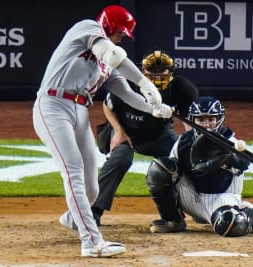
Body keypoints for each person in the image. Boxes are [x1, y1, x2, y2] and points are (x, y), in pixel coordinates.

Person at [32, 5, 173, 258]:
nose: (121, 38)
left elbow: (127, 95)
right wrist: (145, 82)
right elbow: (113, 54)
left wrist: (156, 109)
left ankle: (74, 218)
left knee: (92, 189)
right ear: (109, 26)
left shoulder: (106, 67)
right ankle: (91, 243)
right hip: (52, 106)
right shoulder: (87, 28)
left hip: (79, 112)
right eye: (120, 33)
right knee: (73, 169)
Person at [89, 50, 199, 225]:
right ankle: (93, 212)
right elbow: (107, 106)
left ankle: (178, 214)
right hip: (126, 132)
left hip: (159, 134)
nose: (156, 75)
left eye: (161, 70)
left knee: (182, 159)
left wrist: (191, 146)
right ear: (143, 71)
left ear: (170, 71)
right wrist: (118, 131)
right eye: (152, 71)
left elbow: (190, 124)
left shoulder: (182, 88)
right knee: (120, 158)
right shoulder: (128, 82)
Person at [146, 96, 253, 236]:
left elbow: (243, 163)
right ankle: (173, 221)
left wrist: (225, 158)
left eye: (211, 119)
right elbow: (171, 170)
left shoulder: (230, 143)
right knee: (159, 168)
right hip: (191, 196)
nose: (206, 124)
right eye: (201, 120)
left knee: (230, 226)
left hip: (221, 199)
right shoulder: (184, 142)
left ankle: (251, 214)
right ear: (192, 120)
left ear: (219, 119)